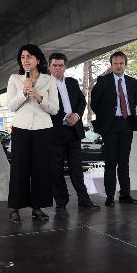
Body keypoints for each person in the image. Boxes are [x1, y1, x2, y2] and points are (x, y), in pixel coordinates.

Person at [6, 44, 59, 223]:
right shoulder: (15, 79)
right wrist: (23, 93)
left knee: (41, 170)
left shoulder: (48, 80)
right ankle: (15, 208)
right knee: (19, 169)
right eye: (22, 57)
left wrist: (38, 96)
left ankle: (37, 207)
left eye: (29, 56)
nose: (25, 60)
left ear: (37, 59)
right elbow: (11, 106)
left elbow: (55, 109)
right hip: (21, 129)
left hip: (43, 130)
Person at [91, 51, 137, 207]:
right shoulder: (103, 81)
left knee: (124, 161)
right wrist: (106, 117)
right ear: (111, 65)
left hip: (127, 124)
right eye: (116, 63)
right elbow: (95, 103)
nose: (119, 66)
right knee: (110, 161)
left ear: (125, 65)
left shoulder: (132, 82)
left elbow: (133, 102)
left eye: (121, 63)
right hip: (110, 125)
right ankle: (109, 196)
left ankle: (125, 194)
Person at [48, 53, 100, 213]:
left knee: (77, 169)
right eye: (55, 65)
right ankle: (61, 203)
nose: (58, 68)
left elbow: (81, 101)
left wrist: (76, 115)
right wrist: (65, 116)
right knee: (55, 170)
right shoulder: (44, 84)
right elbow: (45, 106)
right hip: (55, 133)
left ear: (65, 66)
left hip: (74, 132)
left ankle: (84, 201)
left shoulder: (71, 82)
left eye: (61, 65)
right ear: (50, 67)